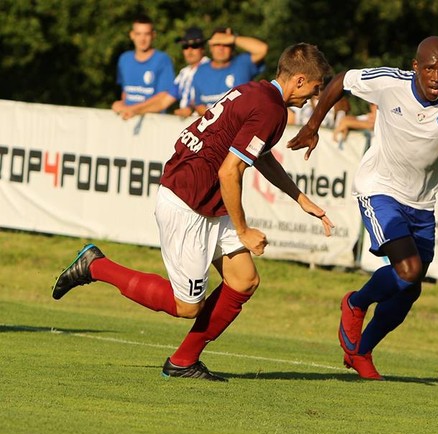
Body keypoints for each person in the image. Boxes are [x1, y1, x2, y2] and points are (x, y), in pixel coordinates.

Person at [52, 43, 335, 382]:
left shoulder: (258, 92)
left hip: (208, 199)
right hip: (188, 201)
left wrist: (298, 197)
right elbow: (229, 172)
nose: (314, 99)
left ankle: (183, 361)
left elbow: (255, 155)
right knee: (187, 307)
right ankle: (96, 266)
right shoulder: (272, 109)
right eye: (316, 90)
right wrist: (244, 231)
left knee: (244, 281)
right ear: (300, 81)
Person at [287, 36, 438, 380]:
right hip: (379, 191)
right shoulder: (389, 83)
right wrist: (312, 125)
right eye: (429, 67)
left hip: (423, 205)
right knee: (409, 269)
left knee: (409, 290)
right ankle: (356, 302)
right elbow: (341, 81)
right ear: (416, 67)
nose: (436, 76)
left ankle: (361, 351)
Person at [191, 27, 268, 116]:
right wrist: (216, 119)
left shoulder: (242, 63)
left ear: (232, 47)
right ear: (210, 47)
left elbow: (262, 49)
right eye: (217, 44)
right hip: (213, 126)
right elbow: (198, 104)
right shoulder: (200, 72)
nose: (221, 48)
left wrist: (233, 38)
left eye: (226, 44)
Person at [111, 14, 176, 120]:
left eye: (146, 34)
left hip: (153, 122)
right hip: (128, 119)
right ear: (132, 35)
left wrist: (133, 109)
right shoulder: (124, 59)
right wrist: (121, 104)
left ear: (153, 35)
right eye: (138, 34)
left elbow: (163, 97)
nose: (142, 39)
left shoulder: (163, 60)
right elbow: (125, 91)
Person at [172, 27, 211, 117]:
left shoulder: (210, 68)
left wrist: (191, 108)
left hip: (206, 123)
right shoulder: (183, 73)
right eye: (185, 46)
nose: (189, 50)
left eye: (194, 46)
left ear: (203, 48)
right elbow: (167, 97)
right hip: (187, 125)